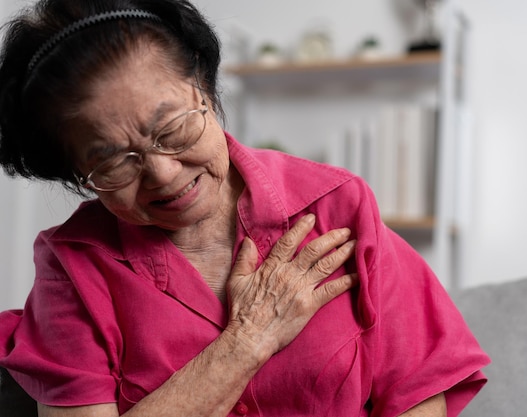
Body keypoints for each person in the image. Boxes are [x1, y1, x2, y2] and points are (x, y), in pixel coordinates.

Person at [0, 0, 490, 416]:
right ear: (76, 176)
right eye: (113, 164)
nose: (164, 175)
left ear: (207, 90)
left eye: (173, 131)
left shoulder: (335, 205)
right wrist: (248, 340)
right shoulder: (73, 265)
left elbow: (419, 390)